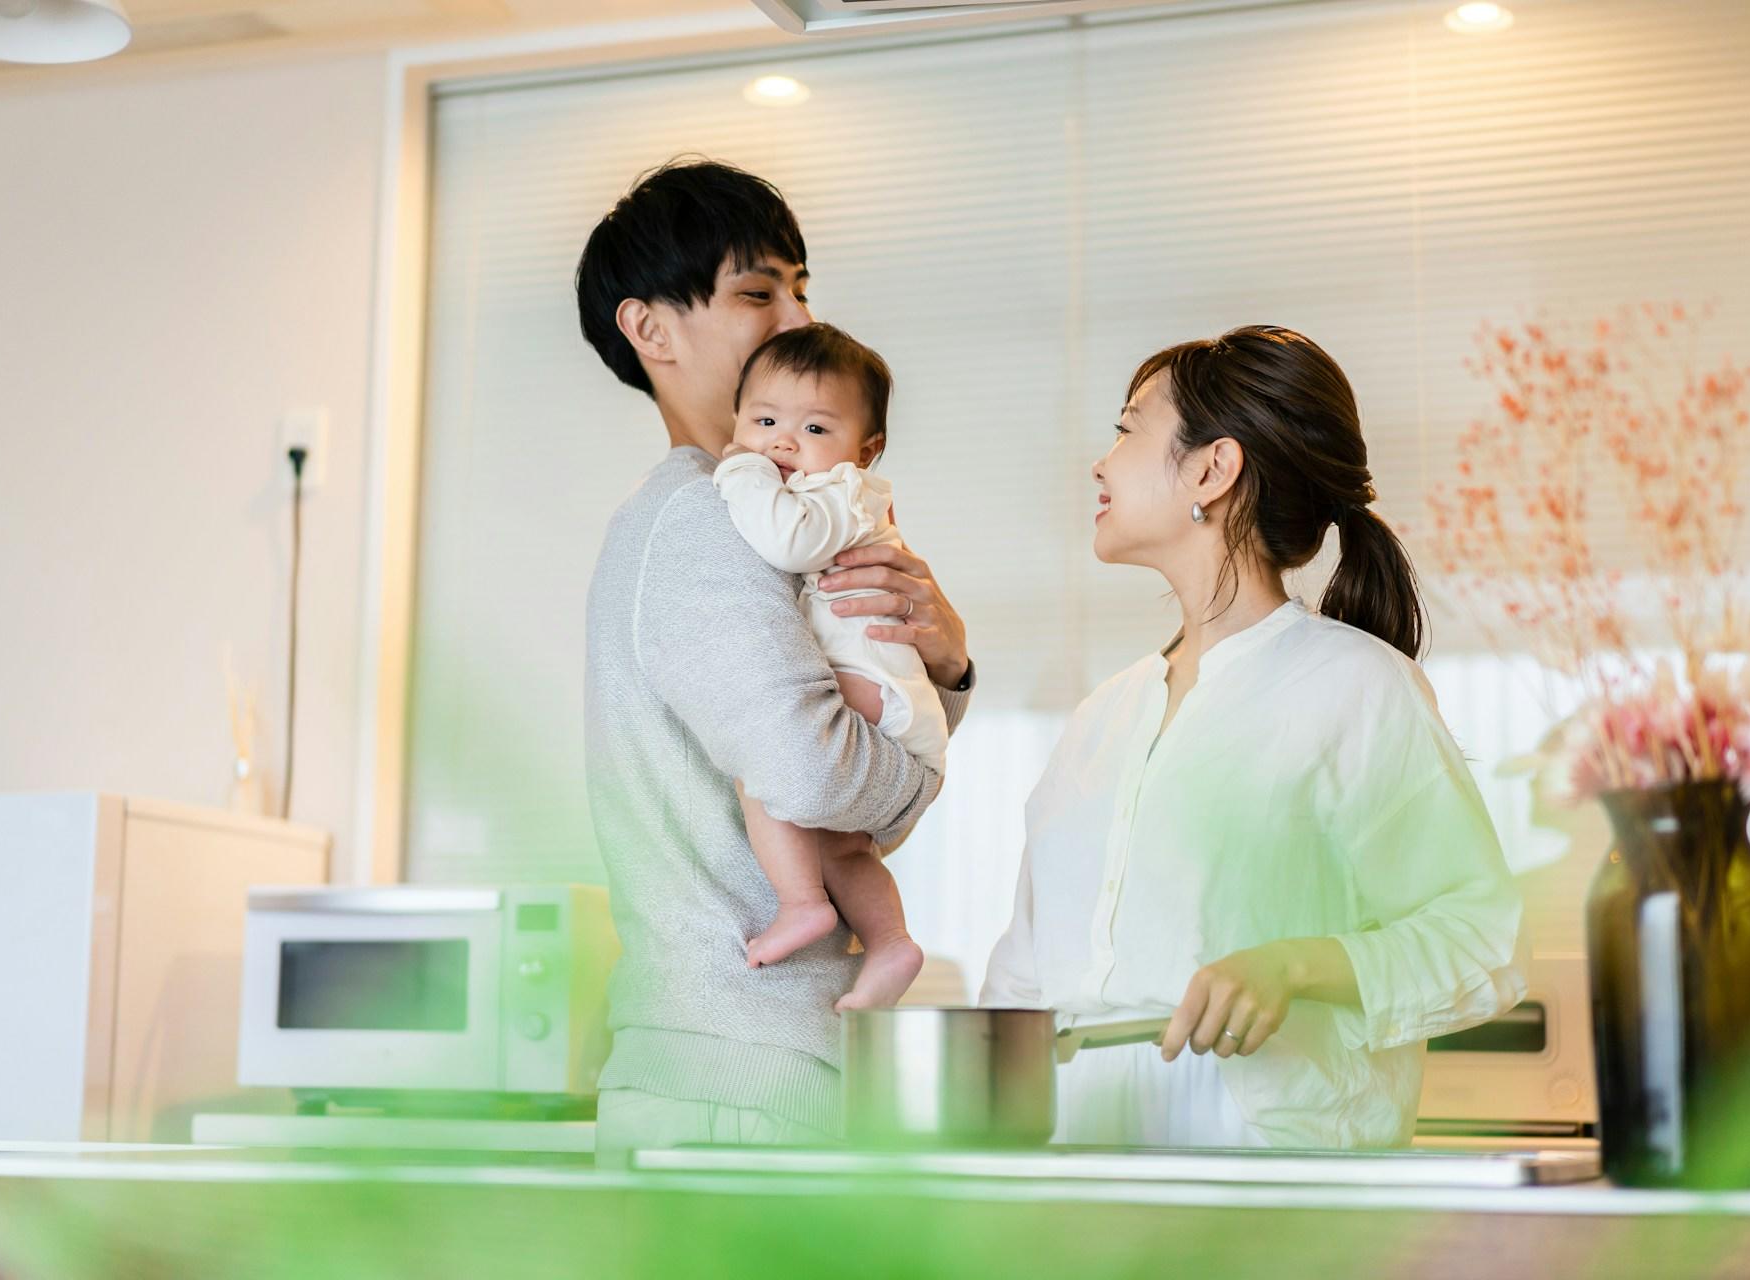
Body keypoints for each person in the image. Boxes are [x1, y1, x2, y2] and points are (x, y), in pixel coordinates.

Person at [981, 325, 1525, 1149]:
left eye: (1128, 429)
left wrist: (1295, 965)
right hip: (1077, 1204)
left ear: (1212, 468)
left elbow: (1478, 940)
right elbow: (1022, 977)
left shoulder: (1356, 688)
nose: (1101, 460)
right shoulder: (1102, 718)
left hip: (1274, 1204)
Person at [578, 159, 974, 1150]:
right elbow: (813, 775)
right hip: (737, 1078)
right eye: (759, 290)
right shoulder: (709, 516)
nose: (798, 317)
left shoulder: (764, 520)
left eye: (802, 286)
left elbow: (830, 764)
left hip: (743, 1066)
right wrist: (919, 770)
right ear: (652, 330)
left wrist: (946, 664)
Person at [714, 322, 942, 1009]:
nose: (783, 441)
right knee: (846, 847)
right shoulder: (827, 485)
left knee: (765, 756)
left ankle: (800, 902)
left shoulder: (849, 491)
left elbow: (786, 541)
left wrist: (742, 468)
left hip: (874, 684)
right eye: (763, 421)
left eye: (814, 428)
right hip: (890, 693)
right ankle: (891, 942)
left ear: (864, 449)